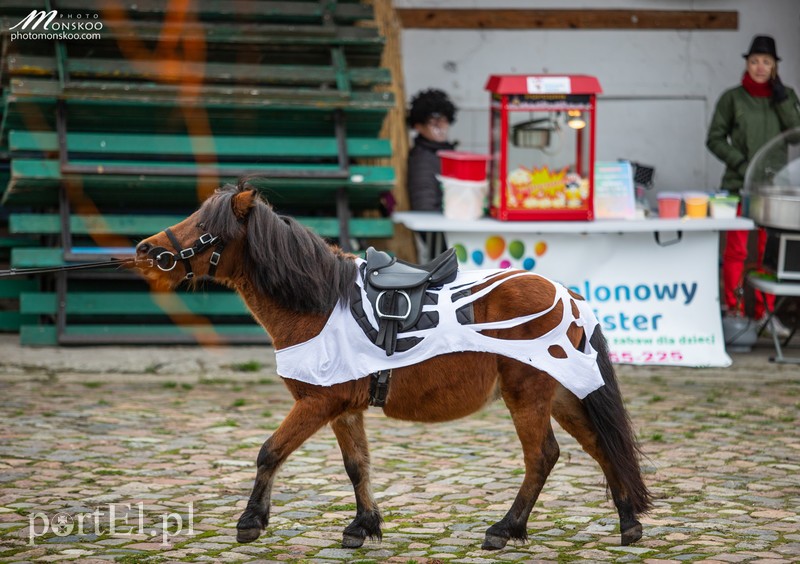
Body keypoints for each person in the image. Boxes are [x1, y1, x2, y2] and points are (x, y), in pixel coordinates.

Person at [706, 35, 800, 337]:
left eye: (766, 62)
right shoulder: (732, 98)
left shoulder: (786, 96)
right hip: (738, 186)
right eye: (755, 61)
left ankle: (764, 315)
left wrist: (782, 99)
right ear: (747, 63)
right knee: (736, 250)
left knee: (767, 253)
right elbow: (714, 139)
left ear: (774, 67)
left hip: (773, 190)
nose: (760, 67)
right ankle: (734, 310)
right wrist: (742, 164)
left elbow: (796, 133)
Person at [406, 89, 458, 260]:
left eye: (443, 120)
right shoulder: (422, 158)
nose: (440, 126)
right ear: (418, 126)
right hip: (442, 238)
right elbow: (424, 206)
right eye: (432, 121)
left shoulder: (440, 153)